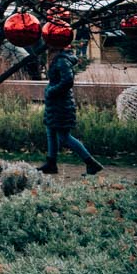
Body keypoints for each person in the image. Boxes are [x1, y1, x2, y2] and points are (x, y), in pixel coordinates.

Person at [37, 44, 103, 176]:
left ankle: (91, 163)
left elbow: (67, 81)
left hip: (61, 104)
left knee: (64, 136)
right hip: (55, 103)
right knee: (51, 131)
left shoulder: (62, 60)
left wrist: (51, 91)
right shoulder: (57, 59)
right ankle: (51, 163)